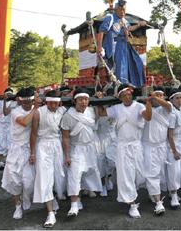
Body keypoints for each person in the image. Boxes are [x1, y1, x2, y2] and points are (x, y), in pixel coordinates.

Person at [97, 85, 151, 218]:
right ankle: (132, 204)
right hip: (122, 147)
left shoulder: (139, 106)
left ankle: (136, 192)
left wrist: (149, 102)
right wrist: (99, 100)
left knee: (139, 175)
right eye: (125, 95)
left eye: (129, 94)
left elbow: (148, 117)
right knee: (126, 176)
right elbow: (101, 113)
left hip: (136, 146)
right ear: (120, 97)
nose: (128, 97)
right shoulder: (116, 108)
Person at [61, 88, 102, 217]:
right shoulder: (68, 115)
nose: (83, 102)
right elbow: (65, 137)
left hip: (90, 148)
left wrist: (100, 99)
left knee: (89, 172)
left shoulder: (91, 111)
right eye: (80, 99)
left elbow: (102, 114)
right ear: (75, 101)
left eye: (86, 99)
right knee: (74, 174)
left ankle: (82, 194)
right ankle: (74, 204)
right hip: (76, 148)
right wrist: (67, 155)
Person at [30, 90, 67, 228]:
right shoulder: (39, 112)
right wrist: (32, 153)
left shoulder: (62, 111)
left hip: (57, 146)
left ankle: (53, 197)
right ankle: (50, 213)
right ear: (46, 101)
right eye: (51, 102)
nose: (53, 105)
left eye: (56, 103)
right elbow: (33, 134)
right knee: (45, 178)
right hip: (43, 147)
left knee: (59, 177)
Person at [1, 88, 38, 219]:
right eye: (26, 102)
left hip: (31, 149)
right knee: (14, 180)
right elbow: (24, 122)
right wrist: (35, 109)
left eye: (31, 101)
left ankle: (27, 199)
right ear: (20, 101)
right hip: (16, 149)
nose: (28, 104)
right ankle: (17, 206)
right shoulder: (15, 111)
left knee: (29, 181)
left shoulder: (37, 109)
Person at [97, 0, 146, 88]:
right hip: (115, 45)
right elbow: (101, 31)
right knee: (119, 66)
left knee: (137, 61)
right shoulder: (110, 18)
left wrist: (139, 25)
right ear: (116, 10)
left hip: (124, 45)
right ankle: (119, 85)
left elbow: (129, 28)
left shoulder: (124, 20)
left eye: (124, 10)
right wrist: (99, 47)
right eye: (121, 10)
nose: (123, 12)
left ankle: (131, 83)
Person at [142, 88, 171, 215]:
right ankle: (159, 203)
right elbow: (146, 117)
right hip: (148, 146)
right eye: (155, 95)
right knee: (152, 173)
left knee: (159, 173)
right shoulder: (143, 108)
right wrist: (149, 100)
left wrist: (154, 97)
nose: (157, 97)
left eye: (160, 95)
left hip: (162, 146)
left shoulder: (166, 108)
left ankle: (153, 193)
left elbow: (166, 104)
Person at [166, 90, 181, 209]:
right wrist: (174, 151)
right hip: (173, 145)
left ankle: (174, 192)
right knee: (174, 171)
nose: (180, 100)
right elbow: (169, 135)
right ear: (171, 100)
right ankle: (173, 196)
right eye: (177, 98)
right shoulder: (171, 113)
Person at [0, 88, 17, 170]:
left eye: (10, 94)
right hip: (1, 125)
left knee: (10, 143)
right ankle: (1, 162)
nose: (8, 96)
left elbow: (6, 112)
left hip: (11, 125)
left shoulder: (14, 103)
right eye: (7, 94)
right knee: (0, 143)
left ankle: (8, 161)